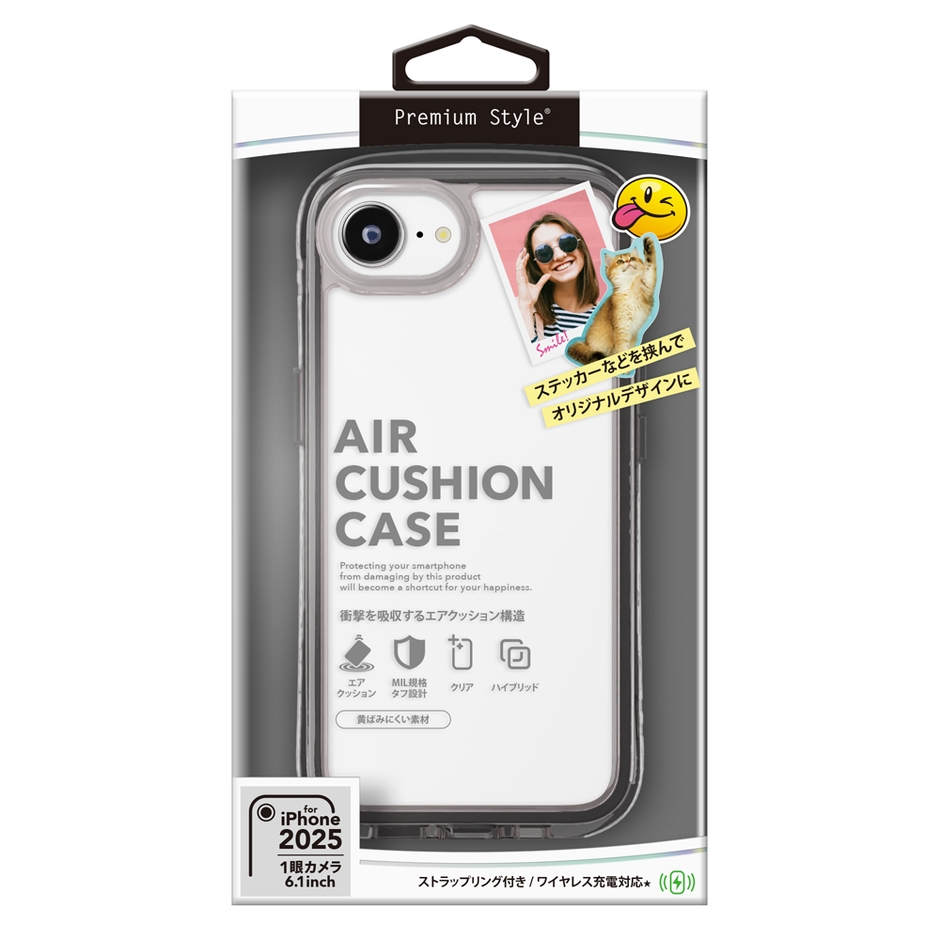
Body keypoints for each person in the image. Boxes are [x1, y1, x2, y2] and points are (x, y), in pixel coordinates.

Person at [515, 213, 600, 346]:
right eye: (544, 252)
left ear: (581, 246)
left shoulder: (609, 316)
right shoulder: (520, 312)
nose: (559, 256)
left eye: (566, 242)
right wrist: (525, 308)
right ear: (536, 267)